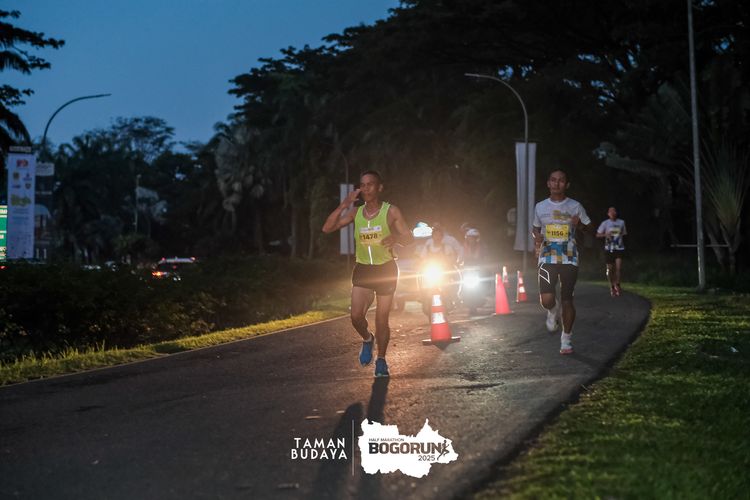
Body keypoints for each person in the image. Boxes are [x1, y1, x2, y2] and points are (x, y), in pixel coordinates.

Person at [322, 170, 413, 378]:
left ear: (379, 188)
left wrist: (396, 239)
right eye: (362, 185)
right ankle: (367, 339)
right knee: (355, 316)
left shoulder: (391, 211)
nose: (366, 188)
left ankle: (381, 359)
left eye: (370, 184)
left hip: (385, 269)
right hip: (363, 269)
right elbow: (327, 228)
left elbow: (409, 237)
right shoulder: (355, 213)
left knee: (382, 319)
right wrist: (344, 204)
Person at [532, 169, 592, 355]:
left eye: (561, 180)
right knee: (547, 299)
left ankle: (566, 339)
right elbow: (535, 229)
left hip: (569, 257)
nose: (557, 183)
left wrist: (579, 225)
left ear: (567, 185)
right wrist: (537, 238)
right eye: (553, 180)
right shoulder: (540, 207)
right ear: (548, 183)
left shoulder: (575, 206)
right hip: (547, 256)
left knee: (567, 298)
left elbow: (590, 228)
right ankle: (552, 311)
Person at [596, 206, 628, 297]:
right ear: (608, 214)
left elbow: (624, 233)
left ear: (616, 213)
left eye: (614, 211)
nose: (613, 213)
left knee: (618, 268)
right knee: (609, 270)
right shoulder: (605, 223)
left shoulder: (621, 222)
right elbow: (598, 234)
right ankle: (612, 286)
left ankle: (617, 285)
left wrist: (620, 234)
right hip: (609, 248)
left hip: (619, 248)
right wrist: (606, 234)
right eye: (611, 212)